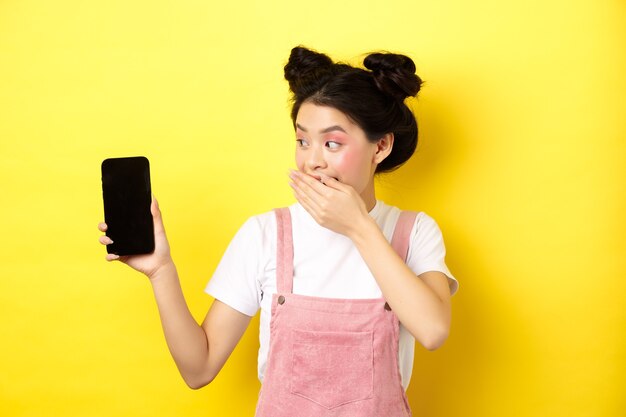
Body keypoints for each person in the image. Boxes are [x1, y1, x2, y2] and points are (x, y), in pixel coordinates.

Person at [98, 46, 458, 417]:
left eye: (332, 143)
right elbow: (198, 368)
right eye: (302, 141)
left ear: (380, 146)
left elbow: (433, 330)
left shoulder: (414, 232)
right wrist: (161, 271)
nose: (312, 160)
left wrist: (357, 227)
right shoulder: (265, 234)